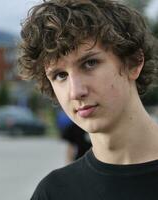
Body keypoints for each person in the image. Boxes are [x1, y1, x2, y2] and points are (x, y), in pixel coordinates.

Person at [18, 0, 158, 199]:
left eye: (90, 63)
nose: (75, 92)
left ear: (134, 62)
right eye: (60, 75)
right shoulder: (54, 193)